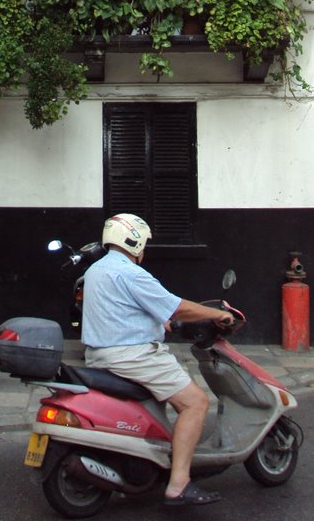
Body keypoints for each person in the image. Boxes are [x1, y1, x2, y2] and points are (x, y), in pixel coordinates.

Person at [81, 213, 234, 508]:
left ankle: (139, 468)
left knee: (152, 409)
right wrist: (218, 314)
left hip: (100, 355)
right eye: (144, 244)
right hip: (133, 356)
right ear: (134, 241)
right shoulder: (131, 273)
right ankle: (179, 485)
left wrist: (159, 322)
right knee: (195, 403)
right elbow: (176, 308)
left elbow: (121, 310)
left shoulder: (96, 270)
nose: (144, 250)